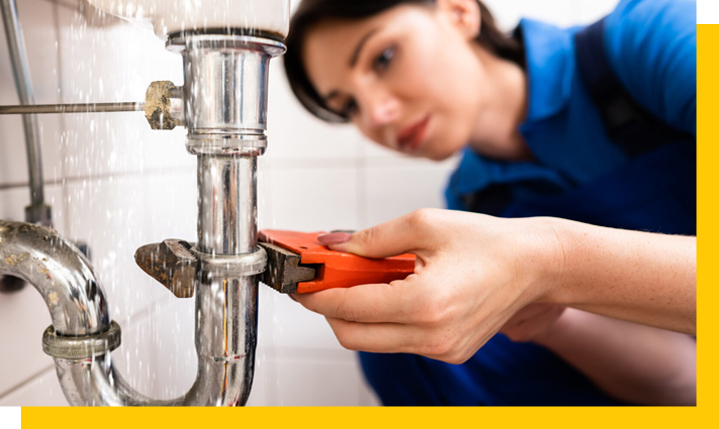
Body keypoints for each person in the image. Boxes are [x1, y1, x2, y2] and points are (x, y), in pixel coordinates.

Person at [282, 0, 696, 406]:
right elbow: (689, 383)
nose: (378, 114)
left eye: (384, 58)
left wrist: (550, 261)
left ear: (459, 11)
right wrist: (549, 321)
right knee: (410, 354)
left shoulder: (659, 31)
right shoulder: (470, 202)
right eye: (349, 105)